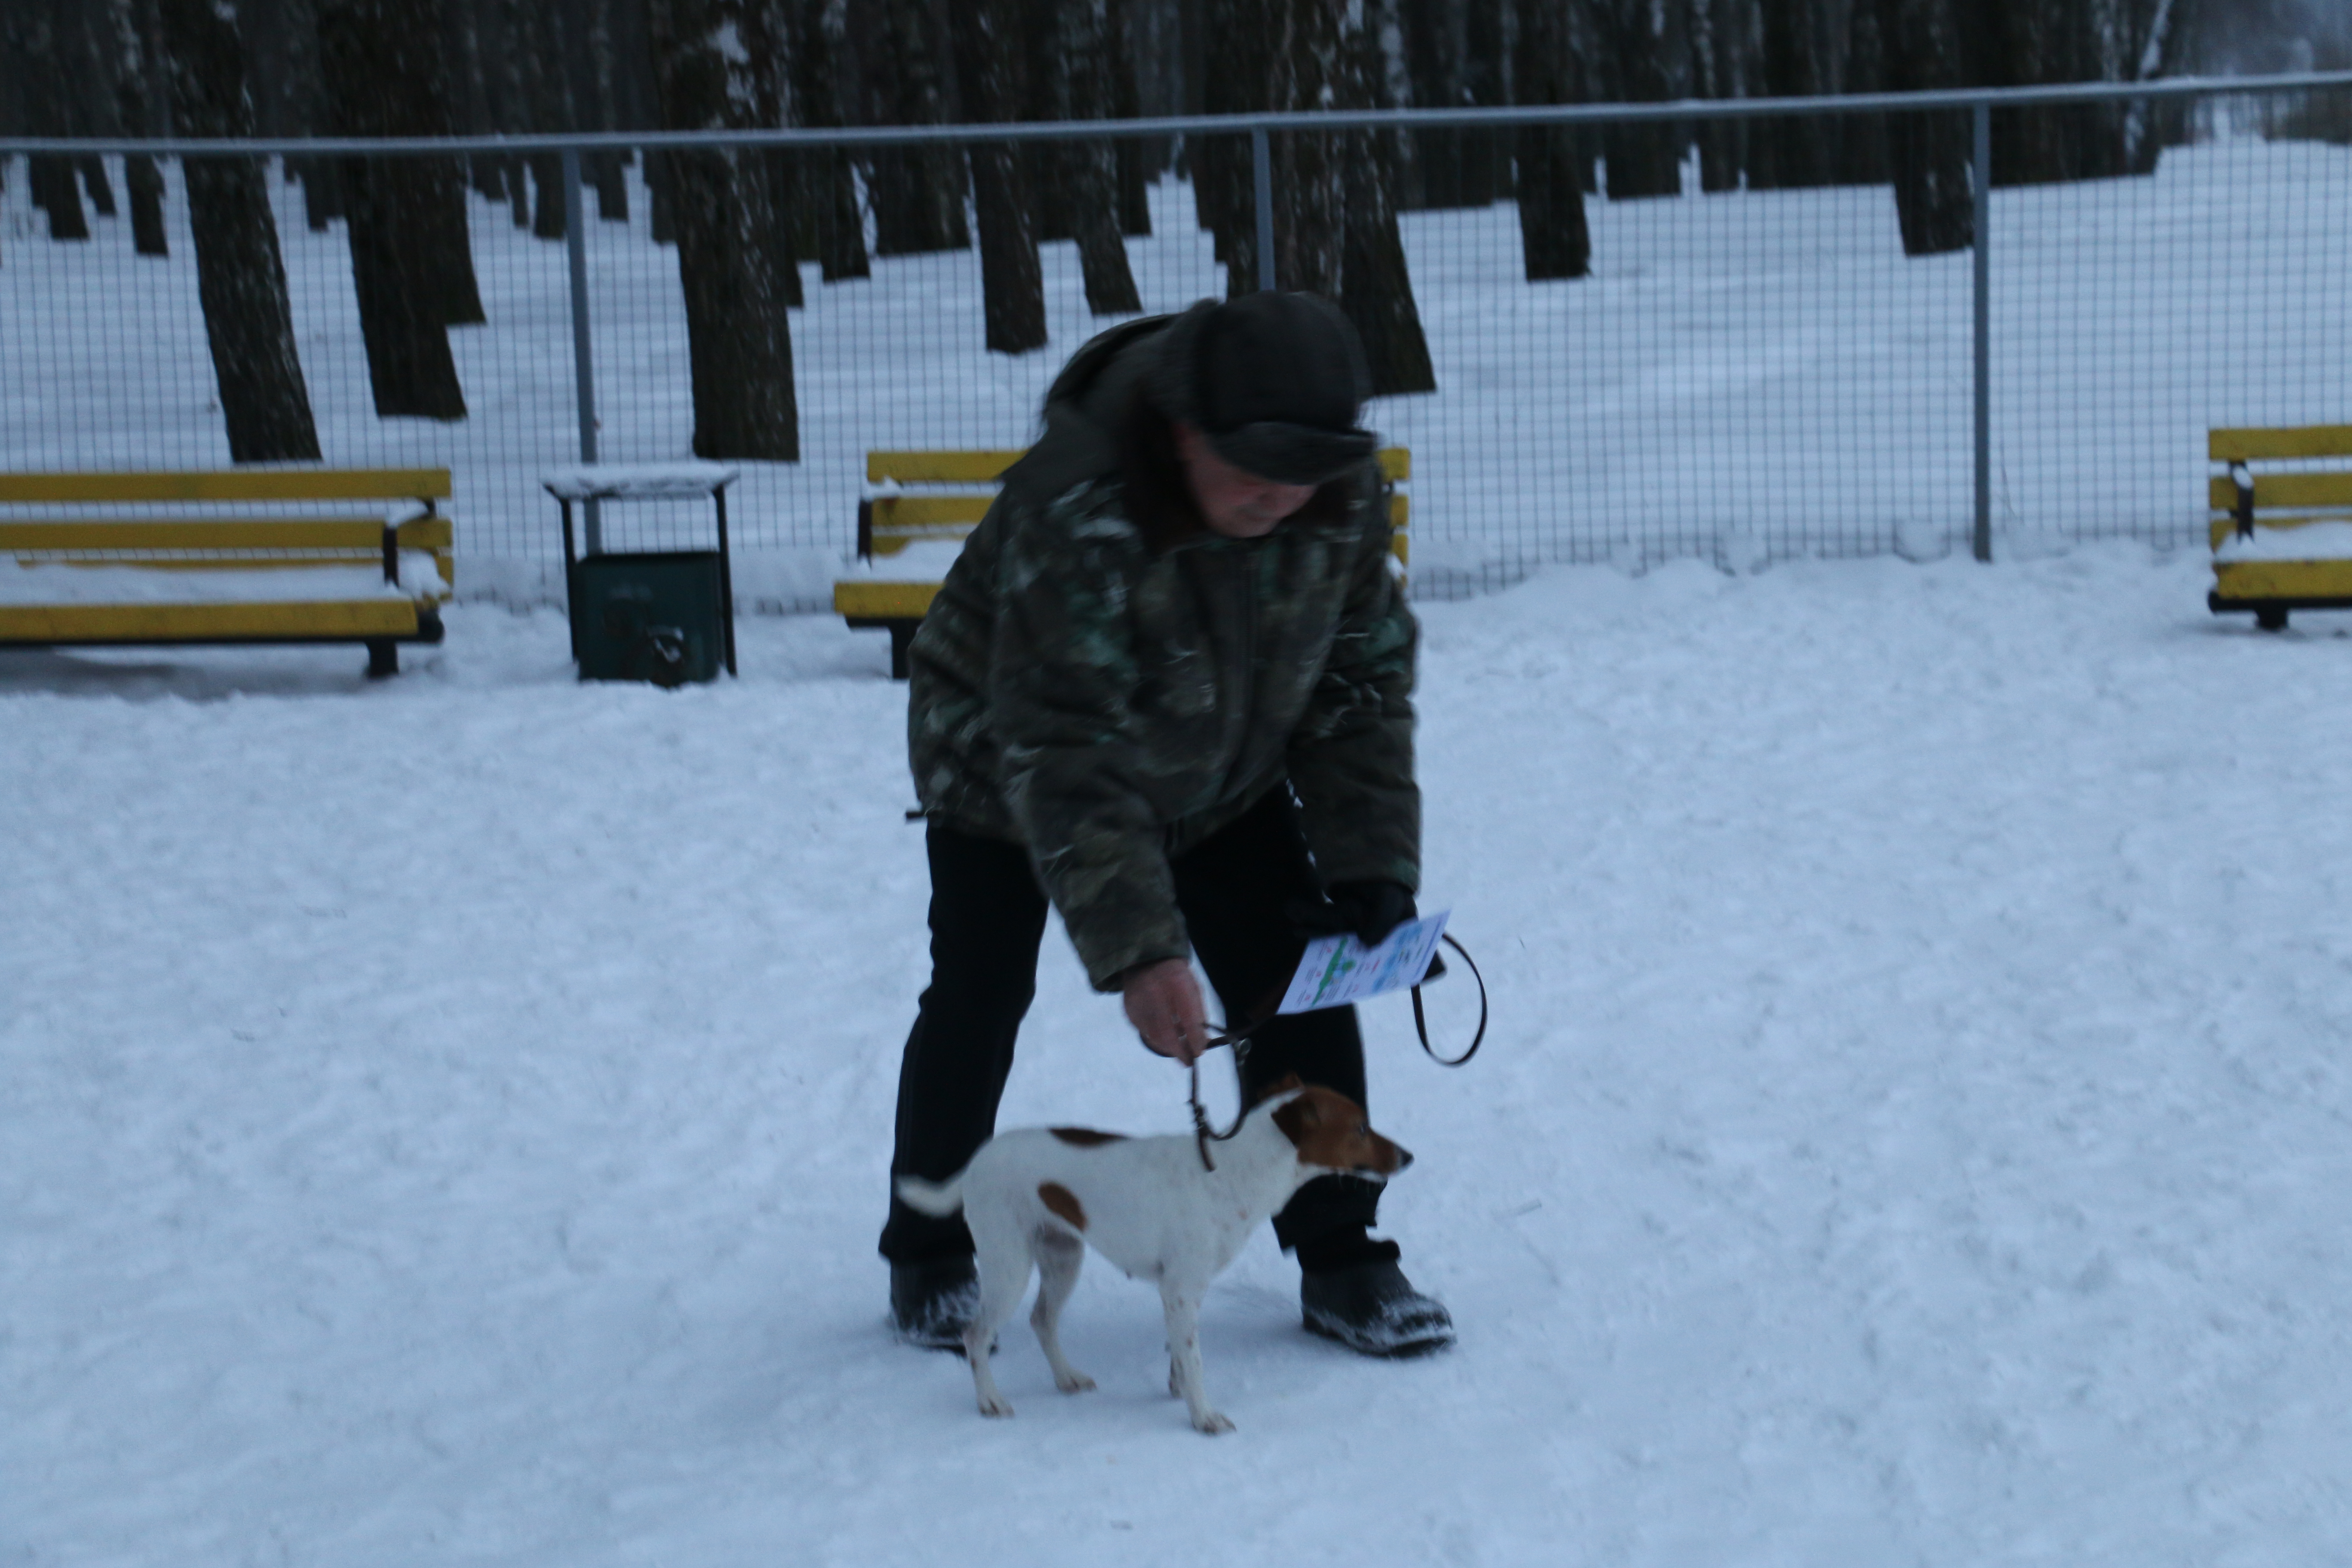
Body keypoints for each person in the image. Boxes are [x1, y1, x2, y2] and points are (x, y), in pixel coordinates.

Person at [879, 290, 1453, 1358]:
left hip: (1220, 772)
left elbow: (1359, 679)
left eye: (1307, 472)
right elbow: (1066, 743)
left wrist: (1372, 859)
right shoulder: (1079, 506)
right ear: (1186, 432)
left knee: (1295, 978)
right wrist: (1143, 951)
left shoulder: (1329, 490)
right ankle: (928, 1248)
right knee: (981, 990)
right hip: (1009, 767)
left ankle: (1343, 1261)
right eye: (1254, 469)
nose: (1283, 498)